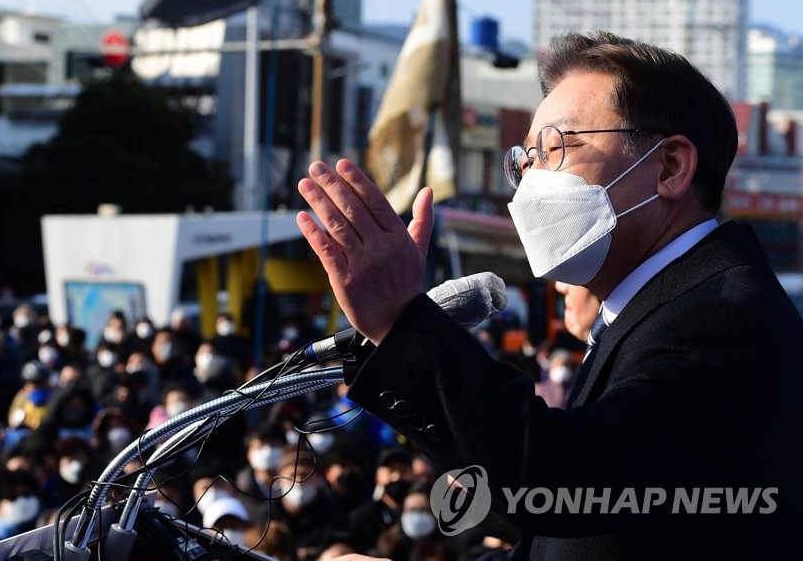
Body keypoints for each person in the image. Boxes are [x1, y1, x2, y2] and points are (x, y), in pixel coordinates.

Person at [297, 31, 802, 559]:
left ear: (670, 166)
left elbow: (574, 484)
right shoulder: (650, 313)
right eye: (526, 157)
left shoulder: (723, 313)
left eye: (557, 147)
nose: (530, 179)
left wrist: (403, 321)